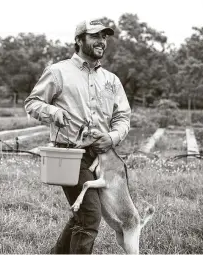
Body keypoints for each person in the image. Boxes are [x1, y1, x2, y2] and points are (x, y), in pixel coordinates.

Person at [24, 18, 131, 254]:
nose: (101, 41)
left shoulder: (111, 80)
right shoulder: (58, 71)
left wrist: (112, 137)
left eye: (104, 37)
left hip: (103, 157)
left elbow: (123, 116)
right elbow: (32, 103)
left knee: (81, 216)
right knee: (90, 217)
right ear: (79, 40)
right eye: (94, 36)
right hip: (70, 153)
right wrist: (53, 111)